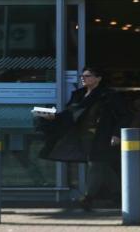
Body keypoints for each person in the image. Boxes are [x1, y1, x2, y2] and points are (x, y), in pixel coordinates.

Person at [36, 67, 131, 211]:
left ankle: (88, 198)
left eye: (87, 76)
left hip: (101, 136)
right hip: (82, 136)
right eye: (82, 76)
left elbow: (125, 115)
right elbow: (70, 114)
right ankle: (118, 196)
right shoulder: (79, 95)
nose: (83, 78)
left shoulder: (108, 95)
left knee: (96, 164)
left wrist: (117, 133)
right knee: (102, 166)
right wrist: (53, 117)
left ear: (98, 78)